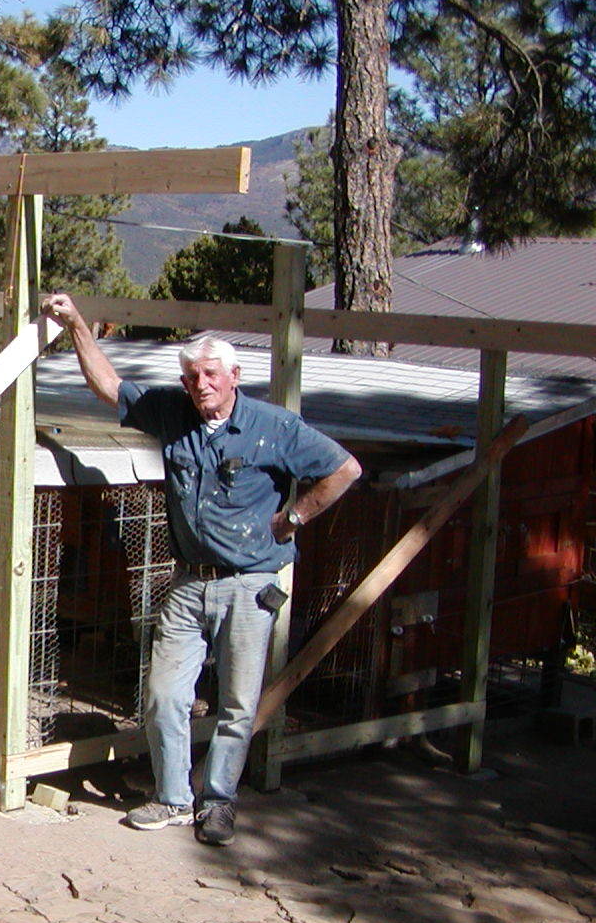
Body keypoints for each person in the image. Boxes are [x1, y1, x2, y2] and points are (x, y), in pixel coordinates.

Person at [43, 293, 362, 846]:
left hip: (250, 585)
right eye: (192, 377)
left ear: (234, 376)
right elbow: (108, 386)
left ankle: (218, 803)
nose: (201, 385)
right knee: (165, 694)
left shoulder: (273, 426)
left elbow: (346, 469)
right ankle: (172, 798)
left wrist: (295, 516)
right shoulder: (174, 413)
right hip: (189, 581)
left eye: (211, 374)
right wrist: (75, 324)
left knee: (237, 704)